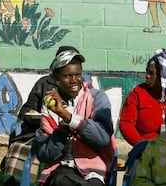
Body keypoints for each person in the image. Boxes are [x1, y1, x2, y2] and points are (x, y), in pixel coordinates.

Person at [35, 49, 115, 186]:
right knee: (63, 181)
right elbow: (44, 154)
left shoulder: (96, 98)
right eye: (67, 76)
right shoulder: (49, 104)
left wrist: (67, 116)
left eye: (78, 75)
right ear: (56, 77)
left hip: (94, 168)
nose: (74, 80)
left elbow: (102, 138)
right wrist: (59, 134)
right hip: (61, 168)